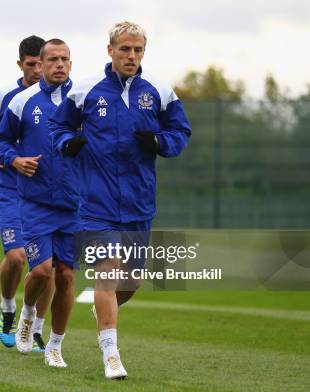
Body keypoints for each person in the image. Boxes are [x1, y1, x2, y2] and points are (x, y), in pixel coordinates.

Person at [49, 21, 192, 379]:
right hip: (95, 204)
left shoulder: (159, 91)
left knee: (131, 282)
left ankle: (105, 308)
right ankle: (111, 355)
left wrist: (160, 143)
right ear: (110, 50)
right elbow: (59, 128)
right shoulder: (84, 90)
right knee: (108, 274)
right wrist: (68, 143)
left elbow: (180, 131)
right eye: (125, 49)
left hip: (139, 204)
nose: (131, 56)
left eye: (138, 50)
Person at [0, 39, 77, 368]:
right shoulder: (22, 101)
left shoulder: (84, 98)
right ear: (39, 64)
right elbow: (0, 140)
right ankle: (27, 312)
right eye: (53, 59)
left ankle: (55, 345)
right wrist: (15, 160)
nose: (59, 64)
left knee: (67, 276)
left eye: (65, 59)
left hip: (75, 203)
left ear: (71, 64)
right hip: (35, 202)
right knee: (42, 271)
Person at [0, 35, 53, 351]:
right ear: (20, 63)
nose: (38, 70)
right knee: (17, 256)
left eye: (42, 63)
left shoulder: (64, 97)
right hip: (10, 187)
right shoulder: (5, 96)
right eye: (32, 64)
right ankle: (8, 308)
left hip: (47, 191)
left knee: (47, 264)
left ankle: (35, 328)